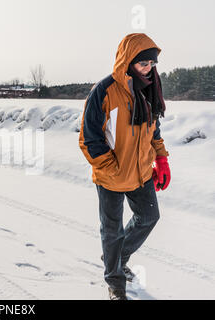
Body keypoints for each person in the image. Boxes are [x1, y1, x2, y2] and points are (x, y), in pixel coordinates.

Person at [78, 33, 171, 300]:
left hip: (141, 173)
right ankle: (115, 283)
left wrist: (161, 160)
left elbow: (154, 131)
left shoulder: (150, 90)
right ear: (129, 62)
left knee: (150, 217)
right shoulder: (104, 91)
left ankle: (117, 256)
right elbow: (89, 138)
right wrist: (111, 167)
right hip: (111, 175)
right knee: (112, 230)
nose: (149, 69)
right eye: (144, 64)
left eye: (152, 65)